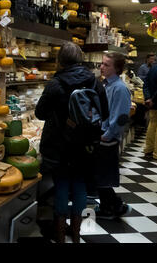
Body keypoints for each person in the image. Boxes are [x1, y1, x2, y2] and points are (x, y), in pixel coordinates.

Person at [35, 42, 109, 243]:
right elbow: (105, 113)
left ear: (60, 61)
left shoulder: (55, 83)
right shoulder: (95, 83)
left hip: (59, 145)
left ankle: (59, 234)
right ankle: (75, 234)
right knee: (79, 186)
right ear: (80, 59)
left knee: (60, 186)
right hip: (86, 145)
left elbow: (39, 113)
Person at [94, 52, 132, 219]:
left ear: (117, 69)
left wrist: (107, 135)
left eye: (106, 65)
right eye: (102, 64)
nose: (102, 67)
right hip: (101, 134)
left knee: (102, 176)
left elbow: (120, 117)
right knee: (100, 175)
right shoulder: (106, 84)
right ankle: (109, 207)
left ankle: (115, 206)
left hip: (107, 137)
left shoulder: (120, 88)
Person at [144, 55, 157, 160]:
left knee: (152, 125)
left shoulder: (154, 67)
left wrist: (148, 98)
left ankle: (148, 150)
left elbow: (145, 83)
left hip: (153, 104)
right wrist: (154, 99)